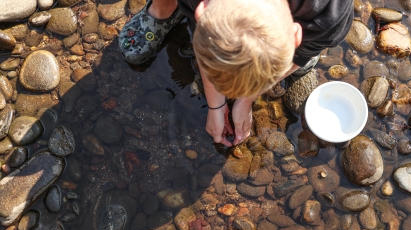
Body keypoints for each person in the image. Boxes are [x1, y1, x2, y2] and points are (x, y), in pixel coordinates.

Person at [119, 0, 353, 146]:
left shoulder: (331, 11)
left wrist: (245, 100)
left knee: (310, 48)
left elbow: (307, 47)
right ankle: (163, 8)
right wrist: (216, 105)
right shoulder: (201, 9)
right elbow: (205, 42)